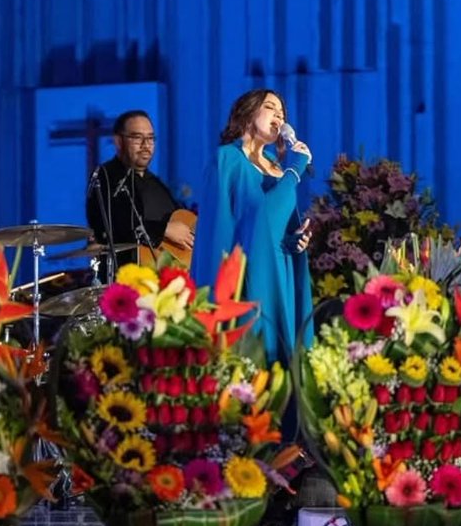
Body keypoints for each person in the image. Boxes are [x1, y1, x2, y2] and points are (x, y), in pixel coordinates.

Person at [191, 90, 314, 365]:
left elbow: (276, 226)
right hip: (247, 273)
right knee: (256, 358)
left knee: (284, 361)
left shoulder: (277, 168)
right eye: (270, 107)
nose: (279, 116)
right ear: (248, 113)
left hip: (280, 270)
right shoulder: (227, 160)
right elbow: (258, 219)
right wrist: (295, 171)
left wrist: (295, 241)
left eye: (282, 112)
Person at [85, 111, 191, 267]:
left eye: (150, 138)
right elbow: (113, 224)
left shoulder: (156, 184)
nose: (146, 145)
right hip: (127, 275)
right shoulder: (106, 176)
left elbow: (179, 220)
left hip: (165, 275)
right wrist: (164, 230)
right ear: (119, 141)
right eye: (137, 137)